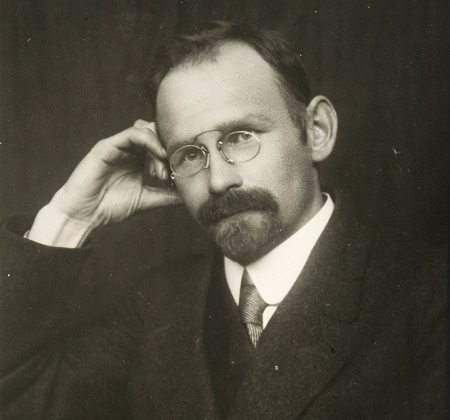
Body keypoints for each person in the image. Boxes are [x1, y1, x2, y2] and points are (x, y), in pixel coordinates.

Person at [0, 21, 447, 419]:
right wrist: (70, 216)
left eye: (240, 137)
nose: (217, 181)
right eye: (190, 154)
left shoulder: (430, 295)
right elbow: (18, 399)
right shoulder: (154, 305)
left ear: (317, 131)